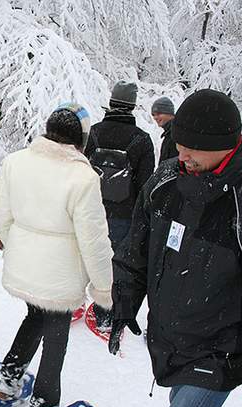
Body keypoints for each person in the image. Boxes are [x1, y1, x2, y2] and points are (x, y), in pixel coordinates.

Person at [109, 89, 242, 407]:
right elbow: (135, 250)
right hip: (172, 337)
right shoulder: (165, 181)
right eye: (179, 144)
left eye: (191, 148)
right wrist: (123, 302)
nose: (181, 154)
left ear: (224, 146)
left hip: (224, 348)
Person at [0, 103, 113, 407]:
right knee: (55, 339)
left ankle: (8, 379)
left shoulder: (15, 162)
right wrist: (103, 287)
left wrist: (20, 247)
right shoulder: (84, 178)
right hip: (60, 277)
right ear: (81, 139)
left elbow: (0, 216)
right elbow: (94, 241)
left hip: (24, 266)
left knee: (34, 317)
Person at [84, 81, 154, 329]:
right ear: (133, 106)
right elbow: (146, 184)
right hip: (123, 215)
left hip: (89, 209)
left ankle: (67, 304)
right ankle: (105, 313)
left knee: (82, 255)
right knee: (113, 265)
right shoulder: (142, 140)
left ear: (111, 102)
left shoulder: (93, 133)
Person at [151, 96, 178, 164]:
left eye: (159, 113)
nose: (155, 117)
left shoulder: (176, 134)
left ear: (169, 113)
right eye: (153, 115)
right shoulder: (169, 133)